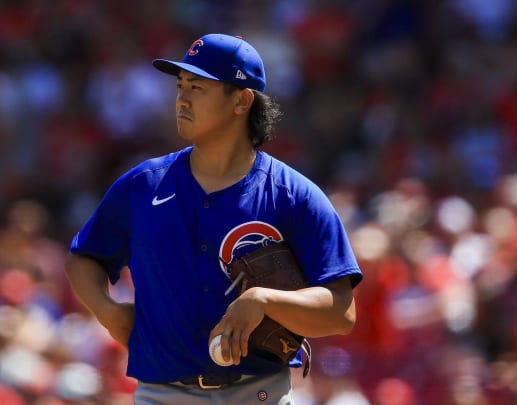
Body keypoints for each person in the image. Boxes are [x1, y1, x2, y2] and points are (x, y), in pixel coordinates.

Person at [64, 33, 363, 405]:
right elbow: (83, 257)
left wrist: (265, 300)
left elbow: (341, 311)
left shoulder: (293, 195)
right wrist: (107, 312)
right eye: (181, 85)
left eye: (198, 87)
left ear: (241, 100)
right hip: (161, 395)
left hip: (259, 393)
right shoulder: (143, 185)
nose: (182, 98)